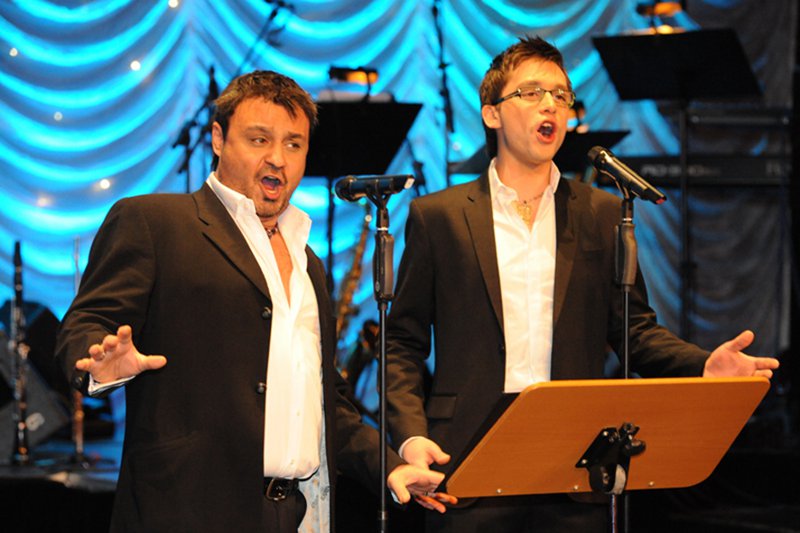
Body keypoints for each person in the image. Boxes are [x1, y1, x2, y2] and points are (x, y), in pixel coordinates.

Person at [384, 36, 780, 533]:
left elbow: (634, 331)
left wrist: (703, 365)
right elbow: (402, 342)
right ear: (492, 114)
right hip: (467, 455)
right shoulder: (438, 217)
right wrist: (409, 435)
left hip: (574, 455)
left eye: (561, 94)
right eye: (531, 92)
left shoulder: (602, 213)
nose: (550, 104)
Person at [55, 70, 452, 533]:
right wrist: (100, 364)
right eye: (259, 139)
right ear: (218, 139)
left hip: (297, 512)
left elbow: (324, 400)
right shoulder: (154, 223)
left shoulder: (308, 261)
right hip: (188, 514)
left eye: (293, 144)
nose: (277, 158)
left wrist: (388, 466)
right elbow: (87, 322)